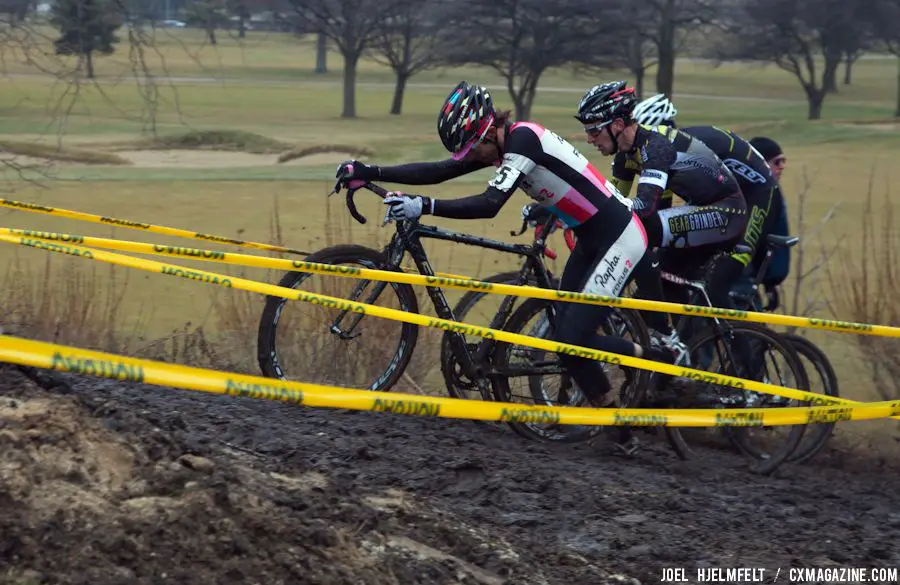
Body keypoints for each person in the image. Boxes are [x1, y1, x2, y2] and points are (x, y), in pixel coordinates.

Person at [334, 80, 673, 409]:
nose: (472, 158)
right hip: (590, 238)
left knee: (572, 340)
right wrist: (370, 170)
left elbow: (489, 203)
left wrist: (423, 205)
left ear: (486, 131)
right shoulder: (502, 142)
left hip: (621, 237)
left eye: (472, 149)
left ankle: (657, 360)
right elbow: (439, 171)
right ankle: (618, 424)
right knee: (565, 342)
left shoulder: (523, 140)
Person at [574, 81, 749, 338]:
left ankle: (662, 332)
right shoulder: (625, 153)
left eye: (594, 130)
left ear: (618, 124)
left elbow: (644, 207)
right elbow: (611, 197)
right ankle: (679, 347)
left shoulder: (655, 147)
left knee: (644, 227)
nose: (589, 139)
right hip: (702, 209)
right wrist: (563, 209)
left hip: (726, 214)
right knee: (661, 276)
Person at [626, 93, 783, 313]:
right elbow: (659, 208)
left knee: (718, 284)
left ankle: (738, 344)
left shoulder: (687, 147)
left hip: (758, 198)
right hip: (726, 203)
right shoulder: (666, 154)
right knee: (669, 268)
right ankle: (687, 336)